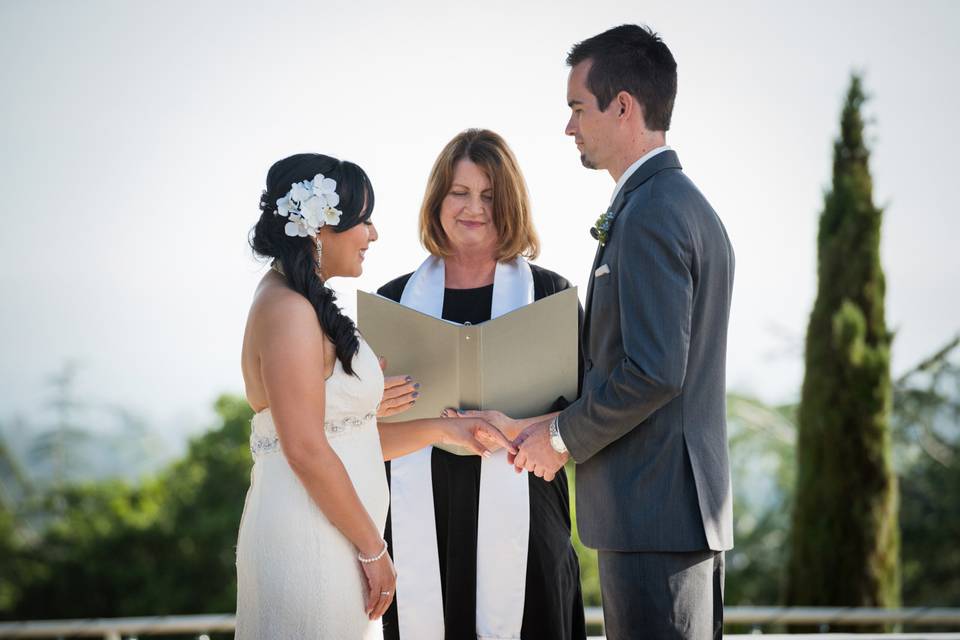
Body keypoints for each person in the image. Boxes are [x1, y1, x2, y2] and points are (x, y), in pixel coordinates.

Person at [506, 25, 736, 639]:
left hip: (653, 517)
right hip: (672, 516)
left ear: (624, 106)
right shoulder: (679, 203)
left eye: (578, 107)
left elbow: (656, 370)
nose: (569, 127)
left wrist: (557, 438)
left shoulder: (653, 213)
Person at [235, 153, 512, 639]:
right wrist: (373, 549)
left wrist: (447, 429)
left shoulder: (303, 302)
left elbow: (349, 438)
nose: (374, 234)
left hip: (335, 529)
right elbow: (304, 448)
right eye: (364, 221)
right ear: (322, 228)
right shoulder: (288, 310)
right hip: (313, 535)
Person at [377, 129, 587, 640]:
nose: (474, 208)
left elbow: (591, 410)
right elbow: (357, 433)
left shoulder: (548, 294)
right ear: (438, 200)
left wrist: (522, 427)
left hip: (528, 516)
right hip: (424, 519)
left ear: (510, 203)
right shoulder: (394, 300)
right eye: (460, 193)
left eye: (490, 196)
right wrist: (372, 404)